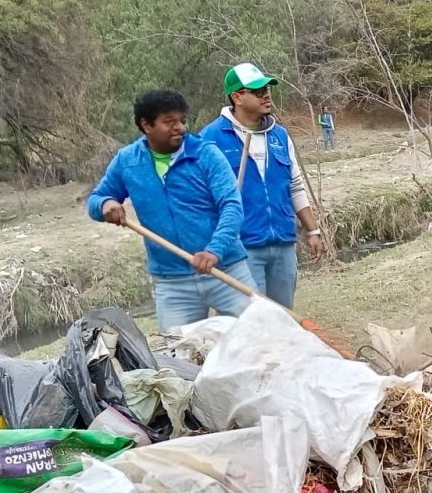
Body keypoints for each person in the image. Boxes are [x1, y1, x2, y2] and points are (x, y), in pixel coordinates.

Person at [88, 90, 253, 330]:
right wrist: (105, 205)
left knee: (256, 341)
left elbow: (232, 205)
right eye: (169, 122)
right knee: (179, 356)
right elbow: (96, 199)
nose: (180, 128)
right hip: (173, 284)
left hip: (227, 271)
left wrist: (214, 251)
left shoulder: (206, 154)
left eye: (182, 120)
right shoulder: (127, 161)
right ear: (146, 125)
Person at [200, 63, 322, 309]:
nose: (266, 94)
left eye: (266, 88)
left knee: (282, 316)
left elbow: (295, 185)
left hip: (283, 243)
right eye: (257, 91)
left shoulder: (279, 135)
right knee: (252, 321)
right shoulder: (211, 138)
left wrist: (312, 231)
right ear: (237, 97)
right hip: (241, 248)